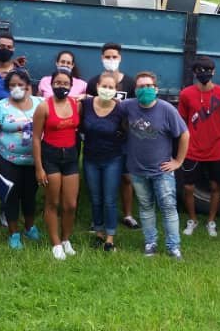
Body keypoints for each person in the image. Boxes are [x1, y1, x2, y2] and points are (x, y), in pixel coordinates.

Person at [122, 72, 189, 259]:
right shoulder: (128, 106)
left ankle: (173, 247)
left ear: (156, 89)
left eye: (148, 86)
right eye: (141, 87)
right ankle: (150, 243)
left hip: (162, 171)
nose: (145, 89)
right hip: (137, 170)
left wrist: (178, 161)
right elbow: (108, 106)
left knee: (168, 208)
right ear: (135, 90)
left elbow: (184, 134)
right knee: (145, 207)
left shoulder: (167, 110)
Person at [85, 43, 139, 229]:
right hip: (102, 140)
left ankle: (128, 214)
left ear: (120, 58)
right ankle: (98, 217)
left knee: (126, 178)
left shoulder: (130, 83)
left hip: (125, 140)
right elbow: (88, 107)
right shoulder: (94, 82)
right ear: (102, 58)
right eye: (107, 57)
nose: (111, 60)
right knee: (101, 182)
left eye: (114, 57)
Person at [0, 70, 43, 249]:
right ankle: (13, 233)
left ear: (28, 85)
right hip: (8, 159)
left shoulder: (40, 103)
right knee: (11, 196)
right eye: (12, 85)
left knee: (30, 194)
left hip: (34, 160)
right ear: (7, 87)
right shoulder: (0, 107)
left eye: (20, 84)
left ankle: (30, 227)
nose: (16, 88)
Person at [178, 56, 220, 238]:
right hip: (192, 149)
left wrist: (214, 130)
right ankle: (192, 220)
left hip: (216, 149)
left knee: (216, 186)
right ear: (194, 73)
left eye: (208, 70)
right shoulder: (186, 94)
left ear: (214, 71)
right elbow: (182, 120)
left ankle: (211, 221)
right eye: (200, 70)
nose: (204, 73)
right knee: (188, 187)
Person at [33, 70, 82, 260]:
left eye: (65, 83)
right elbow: (36, 138)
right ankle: (56, 243)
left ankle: (66, 239)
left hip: (70, 156)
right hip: (50, 157)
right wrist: (39, 167)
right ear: (51, 84)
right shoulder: (43, 107)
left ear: (71, 86)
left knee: (70, 204)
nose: (62, 86)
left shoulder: (76, 105)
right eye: (58, 83)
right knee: (52, 202)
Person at [81, 72, 128, 251]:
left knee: (109, 199)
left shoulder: (121, 110)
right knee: (95, 198)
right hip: (90, 159)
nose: (107, 90)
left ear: (116, 90)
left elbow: (128, 132)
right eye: (104, 86)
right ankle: (99, 233)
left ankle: (110, 238)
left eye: (111, 87)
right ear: (97, 87)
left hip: (112, 159)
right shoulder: (85, 104)